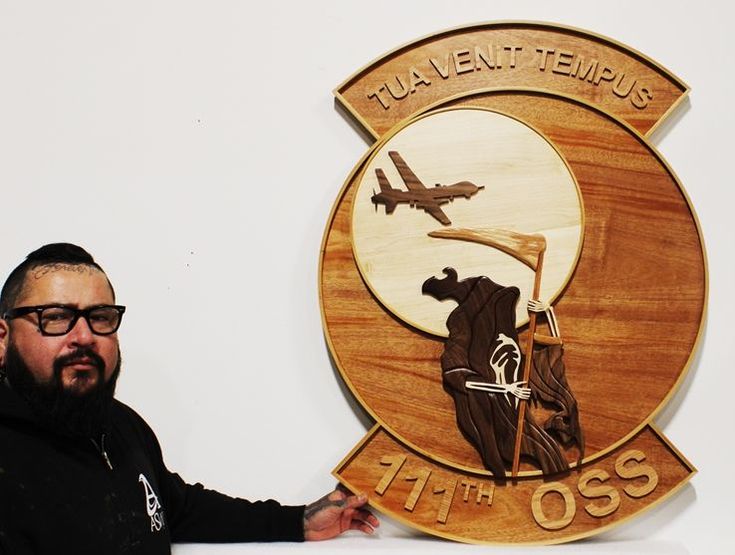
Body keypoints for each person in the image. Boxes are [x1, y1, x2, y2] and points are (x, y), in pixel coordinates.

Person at [0, 243, 378, 554]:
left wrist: (299, 522)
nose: (83, 336)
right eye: (54, 317)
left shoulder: (120, 426)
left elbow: (179, 507)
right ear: (3, 338)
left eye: (99, 317)